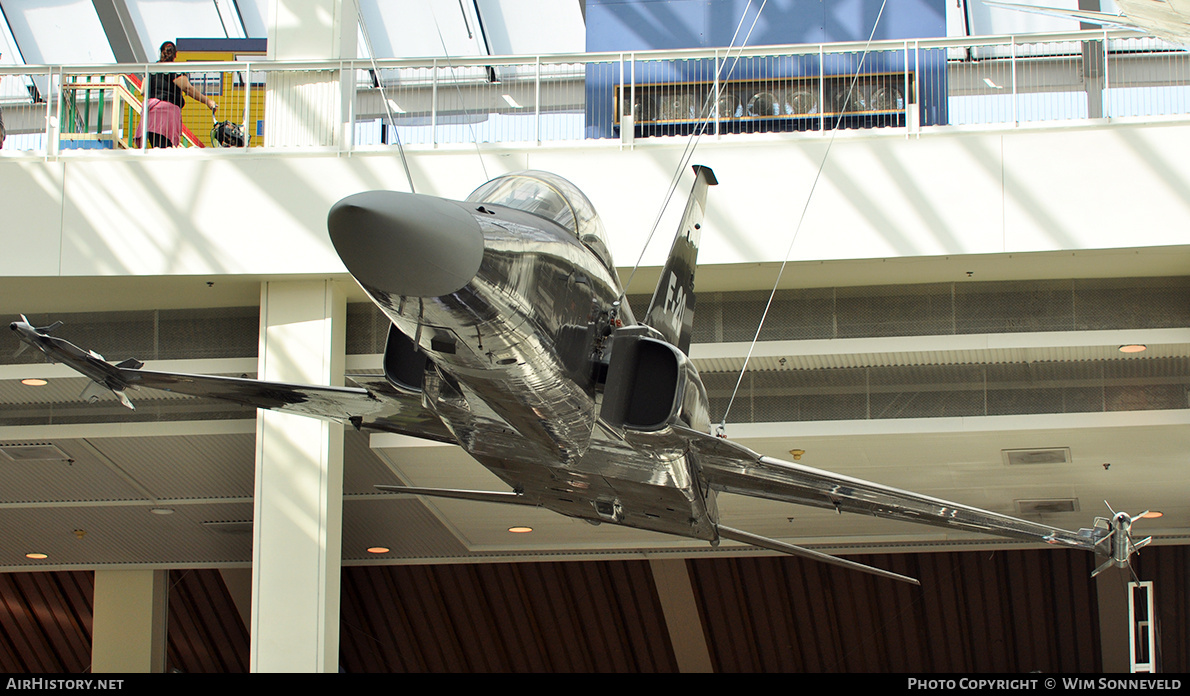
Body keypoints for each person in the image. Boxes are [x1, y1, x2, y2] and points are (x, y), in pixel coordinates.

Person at [142, 41, 217, 147]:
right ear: (175, 54)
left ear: (161, 52)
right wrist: (207, 101)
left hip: (151, 114)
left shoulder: (150, 70)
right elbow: (187, 88)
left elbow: (143, 90)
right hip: (167, 114)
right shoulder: (175, 70)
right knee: (166, 147)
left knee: (156, 146)